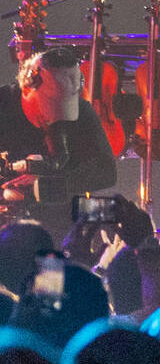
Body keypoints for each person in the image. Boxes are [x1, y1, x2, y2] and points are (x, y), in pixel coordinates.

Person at [0, 48, 117, 239]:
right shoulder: (3, 104)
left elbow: (107, 173)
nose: (55, 118)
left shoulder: (83, 112)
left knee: (114, 211)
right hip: (8, 223)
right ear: (28, 86)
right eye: (50, 105)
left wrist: (43, 187)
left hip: (61, 219)